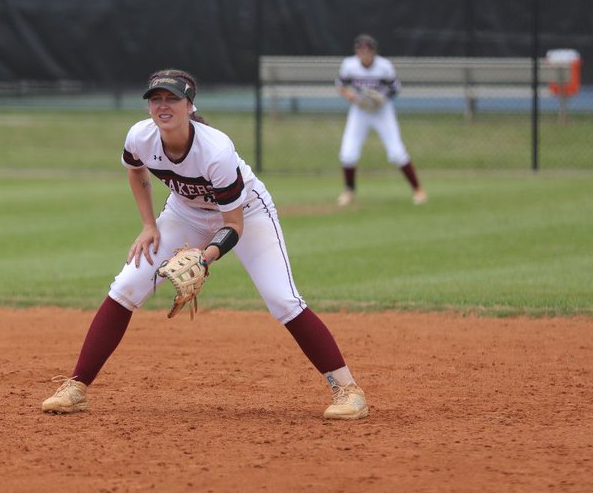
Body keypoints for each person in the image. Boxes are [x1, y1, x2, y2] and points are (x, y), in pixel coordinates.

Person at [42, 69, 369, 421]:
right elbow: (136, 172)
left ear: (189, 105)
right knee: (126, 285)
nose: (163, 106)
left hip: (248, 212)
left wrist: (205, 257)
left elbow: (233, 224)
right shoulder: (140, 136)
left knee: (282, 299)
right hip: (184, 212)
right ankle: (77, 387)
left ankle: (349, 391)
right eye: (156, 99)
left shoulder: (215, 150)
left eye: (172, 99)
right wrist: (149, 225)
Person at [336, 34, 427, 207]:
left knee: (396, 152)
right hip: (360, 111)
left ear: (373, 51)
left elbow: (395, 88)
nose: (364, 53)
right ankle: (349, 191)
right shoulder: (350, 65)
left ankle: (418, 190)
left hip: (381, 111)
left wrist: (382, 98)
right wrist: (350, 96)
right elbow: (340, 84)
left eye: (367, 50)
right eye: (361, 50)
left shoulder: (384, 67)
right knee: (348, 153)